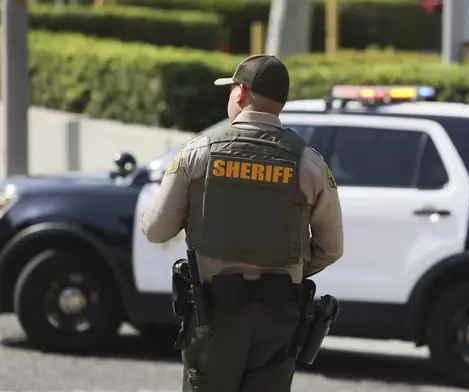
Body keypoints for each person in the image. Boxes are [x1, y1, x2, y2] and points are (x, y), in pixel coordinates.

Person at [140, 54, 344, 392]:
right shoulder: (309, 162)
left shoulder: (199, 152)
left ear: (241, 93)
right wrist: (288, 269)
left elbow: (156, 229)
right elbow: (331, 248)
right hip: (279, 318)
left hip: (217, 315)